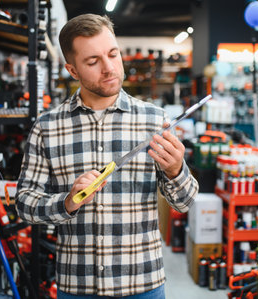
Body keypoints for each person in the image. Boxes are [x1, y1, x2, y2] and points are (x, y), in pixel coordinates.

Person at [15, 14, 199, 298]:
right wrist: (66, 202)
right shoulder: (47, 127)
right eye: (92, 62)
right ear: (72, 70)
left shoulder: (155, 120)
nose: (109, 68)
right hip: (77, 285)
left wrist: (176, 170)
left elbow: (185, 202)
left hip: (143, 284)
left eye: (113, 54)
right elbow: (24, 203)